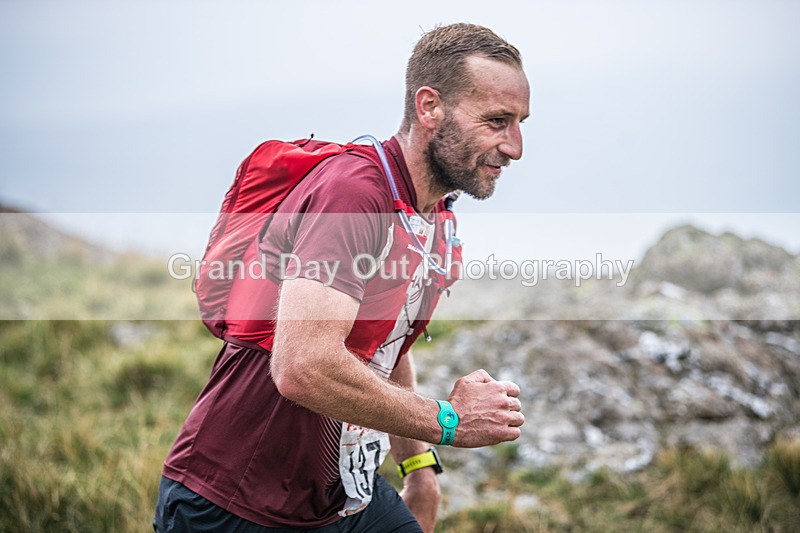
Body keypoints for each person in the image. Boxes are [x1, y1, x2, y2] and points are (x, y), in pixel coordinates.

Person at [154, 22, 530, 532]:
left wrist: (417, 466)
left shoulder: (435, 215)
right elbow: (302, 365)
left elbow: (386, 340)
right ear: (429, 108)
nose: (515, 147)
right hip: (235, 501)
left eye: (519, 123)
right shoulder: (354, 196)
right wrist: (448, 420)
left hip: (342, 495)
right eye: (496, 121)